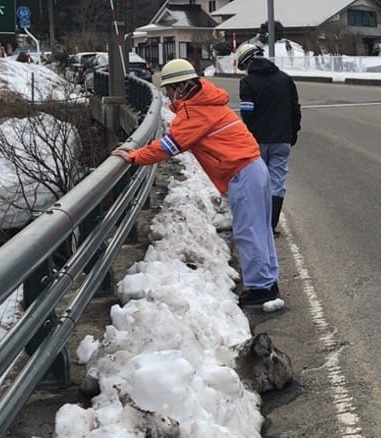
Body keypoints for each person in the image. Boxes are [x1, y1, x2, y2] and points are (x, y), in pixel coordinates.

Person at [111, 58, 280, 307]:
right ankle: (267, 281)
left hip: (241, 172)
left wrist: (135, 156)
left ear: (180, 87)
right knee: (259, 229)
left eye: (169, 89)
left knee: (249, 231)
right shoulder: (205, 102)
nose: (167, 95)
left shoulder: (195, 112)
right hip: (252, 168)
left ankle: (261, 287)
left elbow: (169, 146)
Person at [235, 42, 302, 232]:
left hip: (257, 140)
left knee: (257, 181)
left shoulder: (247, 82)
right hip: (282, 139)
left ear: (246, 62)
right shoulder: (285, 79)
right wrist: (293, 132)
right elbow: (295, 110)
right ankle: (271, 225)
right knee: (277, 181)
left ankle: (257, 222)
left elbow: (247, 112)